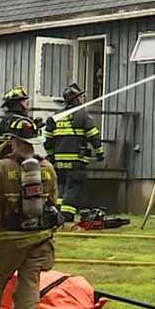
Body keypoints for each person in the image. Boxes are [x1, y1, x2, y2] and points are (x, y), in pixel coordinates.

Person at [0, 117, 61, 309]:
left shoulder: (4, 167)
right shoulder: (47, 167)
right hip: (40, 237)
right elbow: (53, 201)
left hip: (10, 237)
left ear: (14, 142)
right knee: (30, 279)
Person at [45, 83, 105, 222]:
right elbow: (93, 135)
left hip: (59, 162)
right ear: (76, 99)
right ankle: (66, 216)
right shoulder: (82, 115)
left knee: (60, 186)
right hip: (76, 161)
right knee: (73, 187)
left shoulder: (55, 117)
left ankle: (57, 213)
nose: (83, 98)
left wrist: (51, 156)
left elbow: (48, 140)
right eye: (81, 96)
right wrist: (100, 153)